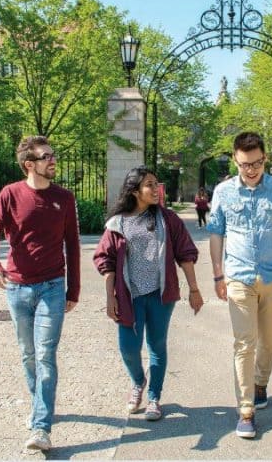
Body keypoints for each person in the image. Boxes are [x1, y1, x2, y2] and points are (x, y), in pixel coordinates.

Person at [0, 135, 80, 452]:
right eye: (46, 156)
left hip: (53, 286)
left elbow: (73, 245)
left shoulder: (64, 198)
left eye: (53, 155)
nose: (53, 160)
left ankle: (41, 427)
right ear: (30, 164)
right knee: (28, 354)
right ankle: (40, 401)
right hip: (17, 287)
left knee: (45, 355)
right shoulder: (10, 194)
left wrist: (73, 288)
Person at [206, 131, 272, 439]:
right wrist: (219, 274)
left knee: (269, 339)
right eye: (245, 164)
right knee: (244, 341)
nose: (251, 169)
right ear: (235, 159)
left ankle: (261, 381)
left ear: (265, 159)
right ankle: (245, 410)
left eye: (257, 163)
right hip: (238, 276)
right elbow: (216, 233)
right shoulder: (223, 192)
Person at [93, 166, 203, 422]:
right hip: (128, 296)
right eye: (149, 185)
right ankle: (138, 381)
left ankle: (154, 396)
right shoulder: (117, 223)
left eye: (157, 184)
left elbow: (186, 254)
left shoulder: (167, 219)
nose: (156, 189)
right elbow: (105, 261)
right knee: (128, 348)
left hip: (160, 295)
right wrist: (110, 297)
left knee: (157, 346)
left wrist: (194, 289)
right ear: (134, 191)